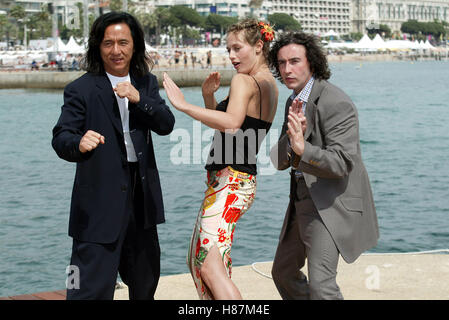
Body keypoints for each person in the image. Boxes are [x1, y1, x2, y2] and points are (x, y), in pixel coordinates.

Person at [51, 12, 175, 300]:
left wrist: (139, 99)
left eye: (123, 42)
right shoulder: (80, 89)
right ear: (98, 46)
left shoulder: (146, 83)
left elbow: (166, 124)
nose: (116, 50)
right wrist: (79, 143)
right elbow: (60, 137)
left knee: (145, 287)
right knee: (82, 289)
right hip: (95, 206)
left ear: (135, 46)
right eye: (108, 43)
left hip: (142, 200)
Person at [163, 19, 278, 300]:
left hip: (230, 180)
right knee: (205, 261)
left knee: (207, 264)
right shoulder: (268, 84)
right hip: (237, 181)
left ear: (259, 46)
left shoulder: (244, 81)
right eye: (228, 49)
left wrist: (183, 105)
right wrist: (207, 97)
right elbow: (228, 125)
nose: (231, 56)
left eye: (238, 48)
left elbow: (232, 124)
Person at [268, 31, 379, 300]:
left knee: (322, 286)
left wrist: (303, 149)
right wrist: (293, 144)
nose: (287, 69)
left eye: (294, 61)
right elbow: (280, 161)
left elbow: (342, 163)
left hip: (330, 205)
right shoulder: (292, 101)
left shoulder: (336, 102)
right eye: (282, 63)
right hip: (300, 201)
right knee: (283, 273)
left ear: (312, 64)